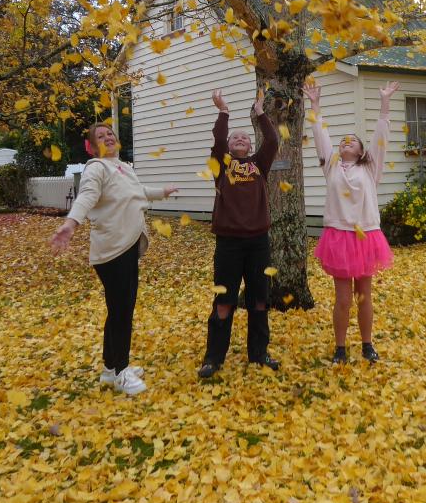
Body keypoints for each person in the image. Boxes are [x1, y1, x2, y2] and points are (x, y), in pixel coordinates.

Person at [51, 122, 177, 396]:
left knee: (120, 311)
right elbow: (87, 196)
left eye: (110, 134)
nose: (108, 138)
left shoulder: (123, 167)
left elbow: (138, 192)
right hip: (112, 251)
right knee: (121, 313)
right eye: (101, 136)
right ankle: (121, 371)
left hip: (128, 247)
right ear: (92, 146)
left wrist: (162, 192)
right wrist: (71, 224)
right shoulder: (96, 168)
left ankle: (110, 370)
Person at [303, 79, 399, 364]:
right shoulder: (331, 165)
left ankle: (368, 344)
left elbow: (380, 139)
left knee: (364, 295)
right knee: (343, 299)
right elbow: (320, 137)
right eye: (343, 140)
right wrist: (315, 105)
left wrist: (384, 103)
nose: (346, 142)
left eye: (352, 141)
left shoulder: (370, 168)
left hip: (366, 236)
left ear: (360, 151)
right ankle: (340, 348)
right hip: (339, 238)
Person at [198, 87, 280, 378]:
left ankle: (259, 354)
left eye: (245, 137)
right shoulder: (221, 165)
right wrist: (224, 112)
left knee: (259, 300)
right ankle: (213, 358)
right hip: (229, 244)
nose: (240, 139)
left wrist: (260, 113)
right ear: (230, 146)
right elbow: (219, 138)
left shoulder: (259, 164)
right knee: (224, 301)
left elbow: (271, 140)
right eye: (236, 138)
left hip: (259, 243)